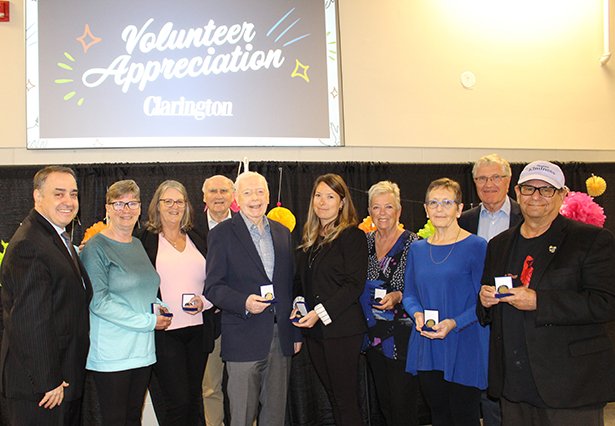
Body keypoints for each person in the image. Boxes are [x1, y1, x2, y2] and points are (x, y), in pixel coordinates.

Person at [478, 161, 615, 426]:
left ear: (562, 195)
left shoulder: (592, 240)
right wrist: (484, 302)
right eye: (529, 189)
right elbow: (487, 306)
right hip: (514, 386)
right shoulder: (499, 245)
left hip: (569, 387)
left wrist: (539, 301)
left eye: (546, 190)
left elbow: (606, 303)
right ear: (517, 193)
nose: (536, 197)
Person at [204, 171, 299, 426]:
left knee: (275, 416)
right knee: (242, 417)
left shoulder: (282, 233)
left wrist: (296, 334)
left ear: (268, 196)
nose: (254, 198)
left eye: (259, 192)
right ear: (237, 198)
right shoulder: (221, 234)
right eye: (247, 193)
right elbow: (213, 288)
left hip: (281, 339)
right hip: (242, 338)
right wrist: (244, 302)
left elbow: (291, 285)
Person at [0, 166, 92, 426]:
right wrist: (48, 380)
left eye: (73, 194)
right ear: (37, 196)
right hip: (41, 390)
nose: (69, 201)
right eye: (59, 194)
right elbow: (30, 322)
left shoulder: (55, 237)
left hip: (62, 379)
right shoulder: (29, 244)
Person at [80, 179, 172, 426]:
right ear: (107, 208)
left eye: (132, 203)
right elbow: (98, 301)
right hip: (112, 354)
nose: (126, 209)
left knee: (133, 418)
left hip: (142, 351)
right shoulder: (96, 247)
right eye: (118, 204)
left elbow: (144, 287)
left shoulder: (137, 244)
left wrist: (158, 305)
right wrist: (149, 321)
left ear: (140, 208)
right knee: (116, 421)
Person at [403, 178, 488, 426]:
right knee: (438, 414)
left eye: (447, 202)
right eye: (434, 203)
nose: (439, 209)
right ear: (425, 209)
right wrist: (417, 314)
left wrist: (453, 323)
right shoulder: (417, 249)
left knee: (464, 417)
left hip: (465, 343)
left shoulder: (476, 246)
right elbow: (409, 294)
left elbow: (483, 300)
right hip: (428, 344)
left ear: (459, 209)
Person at [293, 173, 368, 426]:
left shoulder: (352, 236)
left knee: (345, 400)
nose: (322, 202)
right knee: (334, 398)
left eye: (330, 196)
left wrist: (319, 313)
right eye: (318, 196)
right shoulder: (311, 239)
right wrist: (298, 305)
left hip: (342, 331)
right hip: (317, 333)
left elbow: (353, 286)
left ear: (342, 202)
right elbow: (302, 283)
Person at [138, 180, 214, 425]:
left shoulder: (199, 237)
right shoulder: (144, 241)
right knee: (177, 402)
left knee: (194, 398)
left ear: (186, 206)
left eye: (179, 201)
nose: (173, 206)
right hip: (165, 333)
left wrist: (205, 301)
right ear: (157, 206)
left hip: (199, 330)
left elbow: (216, 280)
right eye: (167, 201)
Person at [458, 153, 522, 426]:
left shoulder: (526, 214)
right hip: (478, 317)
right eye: (482, 178)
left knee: (517, 392)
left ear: (508, 181)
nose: (489, 184)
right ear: (474, 183)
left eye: (495, 177)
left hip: (519, 315)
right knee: (486, 390)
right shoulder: (464, 220)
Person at [359, 180, 419, 426]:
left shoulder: (414, 244)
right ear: (370, 211)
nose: (382, 213)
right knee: (384, 403)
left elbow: (422, 287)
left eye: (388, 207)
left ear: (399, 210)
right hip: (374, 335)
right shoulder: (364, 242)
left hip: (403, 337)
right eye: (376, 207)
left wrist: (399, 295)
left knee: (403, 404)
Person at [198, 175, 235, 426]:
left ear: (233, 196)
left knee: (245, 384)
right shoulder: (191, 229)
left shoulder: (246, 226)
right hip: (206, 321)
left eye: (224, 190)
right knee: (210, 387)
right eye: (213, 190)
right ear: (203, 196)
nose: (218, 195)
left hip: (241, 320)